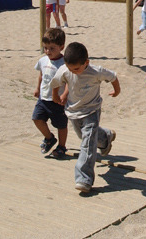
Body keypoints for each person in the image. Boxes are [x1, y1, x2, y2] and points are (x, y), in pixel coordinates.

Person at [50, 42, 120, 193]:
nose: (73, 72)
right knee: (84, 137)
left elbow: (113, 77)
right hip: (73, 111)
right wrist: (56, 96)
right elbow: (55, 82)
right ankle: (105, 137)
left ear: (86, 62)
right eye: (70, 69)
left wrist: (117, 90)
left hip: (92, 110)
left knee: (87, 144)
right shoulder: (65, 70)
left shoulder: (96, 71)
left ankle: (83, 178)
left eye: (76, 69)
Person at [32, 27, 68, 158]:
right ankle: (49, 138)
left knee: (61, 125)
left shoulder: (64, 64)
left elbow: (69, 81)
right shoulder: (43, 60)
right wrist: (37, 88)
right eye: (45, 48)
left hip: (57, 101)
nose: (48, 51)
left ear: (61, 47)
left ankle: (62, 146)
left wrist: (64, 95)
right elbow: (41, 75)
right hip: (43, 98)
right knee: (37, 118)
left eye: (52, 48)